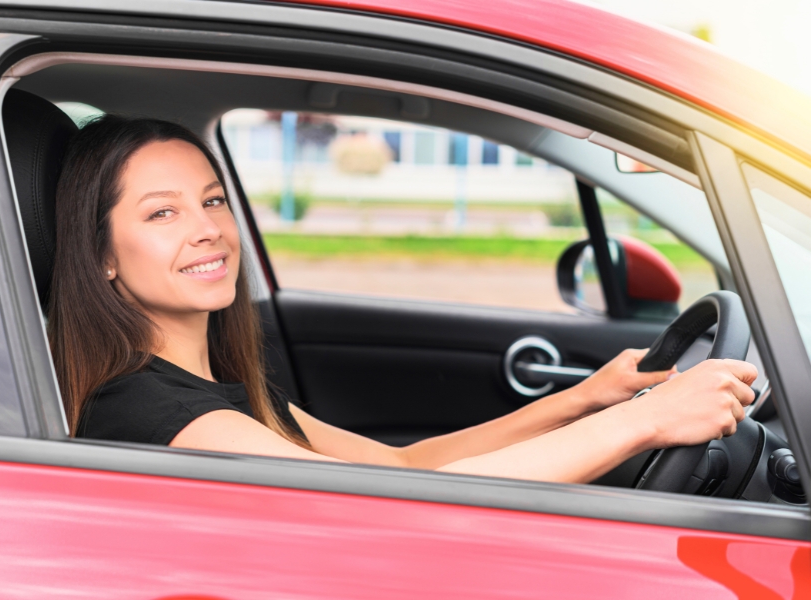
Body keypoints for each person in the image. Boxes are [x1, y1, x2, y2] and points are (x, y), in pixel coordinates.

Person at [52, 115, 757, 485]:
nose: (209, 229)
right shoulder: (154, 414)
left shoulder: (220, 393)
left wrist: (587, 398)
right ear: (103, 256)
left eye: (212, 200)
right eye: (161, 213)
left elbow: (402, 470)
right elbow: (388, 507)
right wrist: (646, 425)